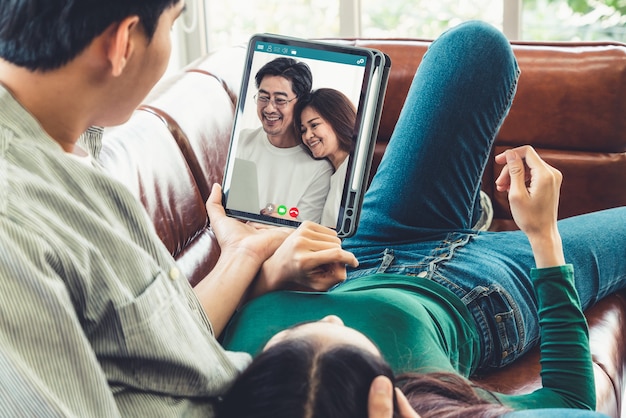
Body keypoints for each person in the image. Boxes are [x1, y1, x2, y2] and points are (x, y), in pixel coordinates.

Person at [217, 21, 626, 417]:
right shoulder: (433, 403)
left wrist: (257, 260)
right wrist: (543, 236)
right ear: (385, 400)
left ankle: (469, 212)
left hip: (365, 249)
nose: (330, 314)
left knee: (475, 47)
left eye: (287, 338)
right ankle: (472, 218)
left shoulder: (239, 379)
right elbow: (569, 402)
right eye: (351, 340)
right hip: (482, 292)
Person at [0, 1, 367, 416]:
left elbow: (157, 341)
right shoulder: (14, 221)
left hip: (241, 364)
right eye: (172, 26)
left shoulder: (67, 135)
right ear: (122, 43)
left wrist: (246, 255)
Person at [236, 57, 333, 223]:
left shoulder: (319, 168)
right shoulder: (243, 141)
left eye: (280, 100)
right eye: (263, 97)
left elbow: (303, 230)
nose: (269, 108)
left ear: (301, 103)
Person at [295, 88, 357, 227]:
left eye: (314, 125)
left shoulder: (354, 169)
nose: (308, 136)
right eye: (303, 130)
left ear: (337, 119)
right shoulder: (330, 175)